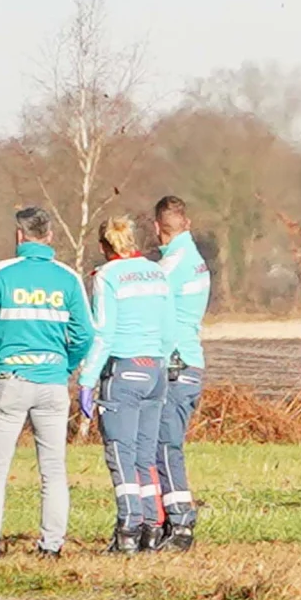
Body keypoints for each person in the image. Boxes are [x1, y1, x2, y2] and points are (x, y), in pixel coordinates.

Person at [0, 208, 94, 557]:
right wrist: (66, 366)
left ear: (19, 236)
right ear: (49, 236)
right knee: (53, 470)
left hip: (9, 379)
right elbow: (85, 333)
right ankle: (51, 545)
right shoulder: (68, 278)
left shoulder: (1, 273)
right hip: (52, 382)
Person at [80, 216, 177, 552]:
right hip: (156, 371)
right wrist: (160, 361)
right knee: (145, 454)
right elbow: (170, 329)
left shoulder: (107, 276)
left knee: (120, 453)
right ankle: (152, 525)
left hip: (123, 370)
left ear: (103, 246)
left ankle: (128, 530)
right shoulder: (156, 272)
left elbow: (103, 333)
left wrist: (87, 380)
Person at [150, 195, 211, 548]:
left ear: (157, 227)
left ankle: (180, 521)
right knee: (167, 444)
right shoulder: (194, 258)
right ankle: (168, 519)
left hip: (176, 366)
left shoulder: (169, 267)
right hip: (191, 361)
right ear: (186, 224)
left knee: (165, 444)